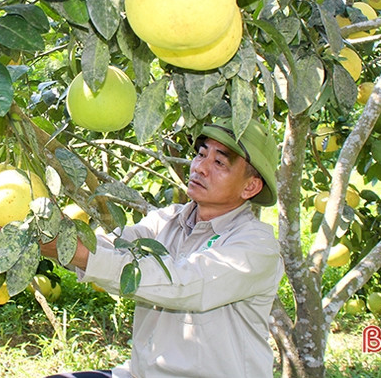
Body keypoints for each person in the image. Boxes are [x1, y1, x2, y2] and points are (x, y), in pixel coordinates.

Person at [41, 118, 284, 378]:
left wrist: (79, 253)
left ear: (250, 186)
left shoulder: (256, 245)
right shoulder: (168, 220)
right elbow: (115, 245)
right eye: (201, 154)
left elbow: (184, 283)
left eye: (219, 162)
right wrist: (54, 237)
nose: (200, 167)